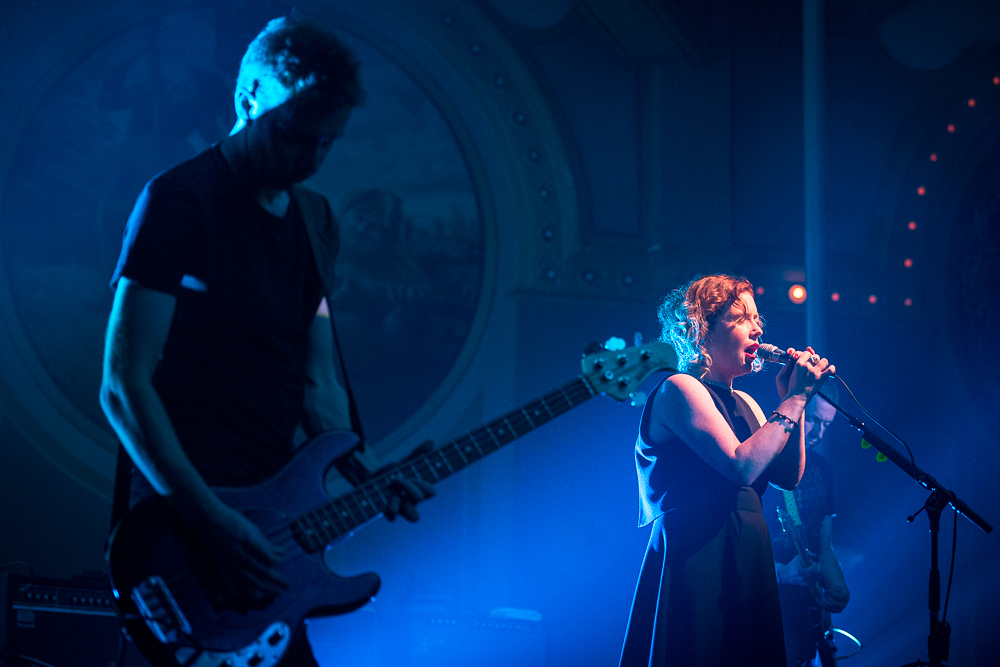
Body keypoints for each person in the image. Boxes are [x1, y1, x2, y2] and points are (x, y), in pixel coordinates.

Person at [100, 15, 432, 666]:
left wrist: (367, 474)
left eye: (327, 143)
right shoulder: (178, 200)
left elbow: (320, 381)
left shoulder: (315, 218)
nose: (308, 158)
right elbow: (123, 383)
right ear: (248, 97)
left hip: (273, 527)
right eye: (293, 135)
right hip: (184, 531)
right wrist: (208, 518)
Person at [619, 274, 835, 667]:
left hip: (747, 551)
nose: (757, 329)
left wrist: (793, 401)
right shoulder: (679, 389)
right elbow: (741, 465)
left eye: (758, 320)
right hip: (700, 551)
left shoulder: (749, 403)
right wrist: (796, 398)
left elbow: (788, 476)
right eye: (741, 318)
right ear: (701, 328)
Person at [768, 387, 851, 667]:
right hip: (769, 608)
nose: (819, 432)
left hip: (809, 614)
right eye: (814, 419)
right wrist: (781, 573)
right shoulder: (764, 462)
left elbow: (822, 544)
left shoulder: (822, 469)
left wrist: (836, 583)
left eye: (828, 424)